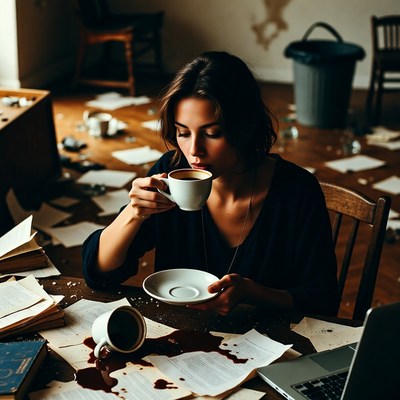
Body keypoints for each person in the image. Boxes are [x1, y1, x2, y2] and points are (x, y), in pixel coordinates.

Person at [82, 51, 339, 316]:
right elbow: (98, 274)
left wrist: (253, 293)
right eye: (183, 133)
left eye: (212, 133)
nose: (194, 150)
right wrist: (133, 214)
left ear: (246, 126)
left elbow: (323, 298)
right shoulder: (170, 174)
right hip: (183, 340)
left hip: (272, 346)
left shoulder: (297, 190)